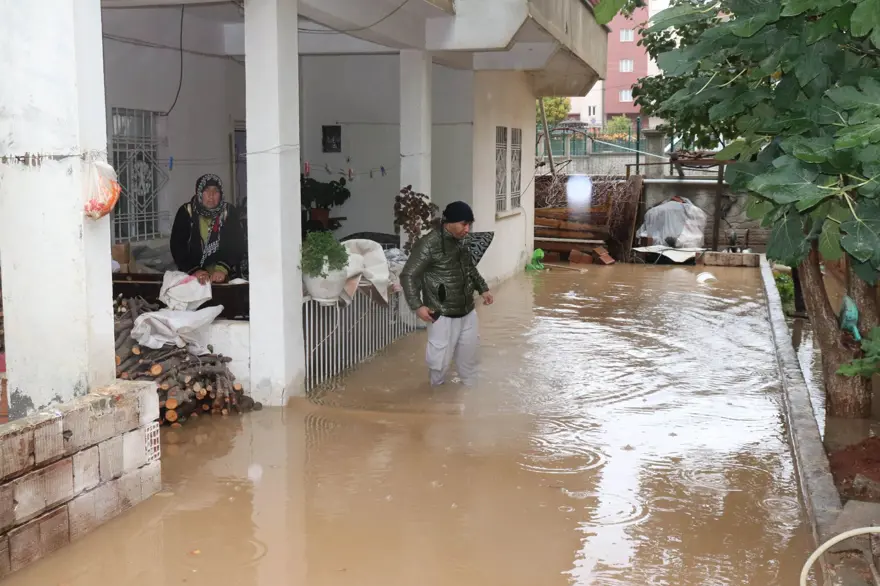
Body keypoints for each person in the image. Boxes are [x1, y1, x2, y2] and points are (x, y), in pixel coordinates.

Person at [400, 201, 494, 386]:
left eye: (469, 225)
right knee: (439, 364)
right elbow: (408, 275)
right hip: (441, 313)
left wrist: (483, 288)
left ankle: (470, 405)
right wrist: (417, 306)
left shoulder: (464, 241)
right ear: (448, 222)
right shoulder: (428, 244)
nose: (467, 229)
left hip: (467, 310)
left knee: (470, 362)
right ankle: (435, 404)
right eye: (463, 224)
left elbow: (469, 268)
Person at [171, 174, 244, 284]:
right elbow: (177, 246)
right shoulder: (187, 212)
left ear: (220, 194)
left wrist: (222, 269)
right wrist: (195, 270)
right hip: (193, 273)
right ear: (199, 193)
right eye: (206, 191)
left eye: (216, 191)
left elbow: (237, 244)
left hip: (224, 273)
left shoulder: (228, 212)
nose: (211, 195)